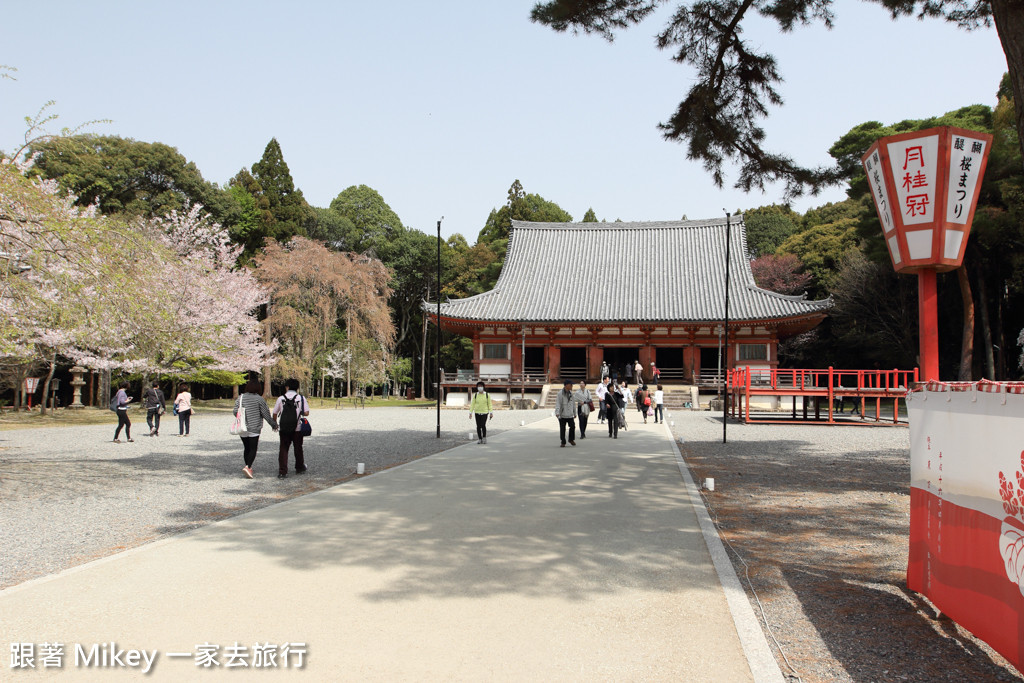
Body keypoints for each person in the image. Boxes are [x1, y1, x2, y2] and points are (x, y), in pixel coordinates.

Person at [234, 379, 278, 479]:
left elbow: (234, 411)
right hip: (254, 427)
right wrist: (273, 424)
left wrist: (243, 417)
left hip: (243, 427)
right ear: (258, 388)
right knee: (253, 448)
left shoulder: (241, 397)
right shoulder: (259, 399)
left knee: (247, 448)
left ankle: (248, 466)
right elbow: (265, 414)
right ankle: (248, 466)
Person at [272, 378, 310, 478]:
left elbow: (275, 413)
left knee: (283, 448)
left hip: (284, 427)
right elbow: (306, 413)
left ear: (287, 387)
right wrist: (298, 411)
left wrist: (275, 424)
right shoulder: (301, 398)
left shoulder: (281, 398)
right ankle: (299, 467)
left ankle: (282, 471)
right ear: (297, 388)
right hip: (297, 427)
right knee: (298, 448)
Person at [554, 379, 577, 447]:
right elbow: (558, 403)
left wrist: (575, 413)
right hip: (562, 414)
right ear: (566, 385)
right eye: (571, 385)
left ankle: (571, 439)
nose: (572, 386)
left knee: (572, 426)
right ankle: (563, 441)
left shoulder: (571, 393)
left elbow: (573, 404)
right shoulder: (560, 393)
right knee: (562, 428)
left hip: (570, 414)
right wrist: (557, 412)